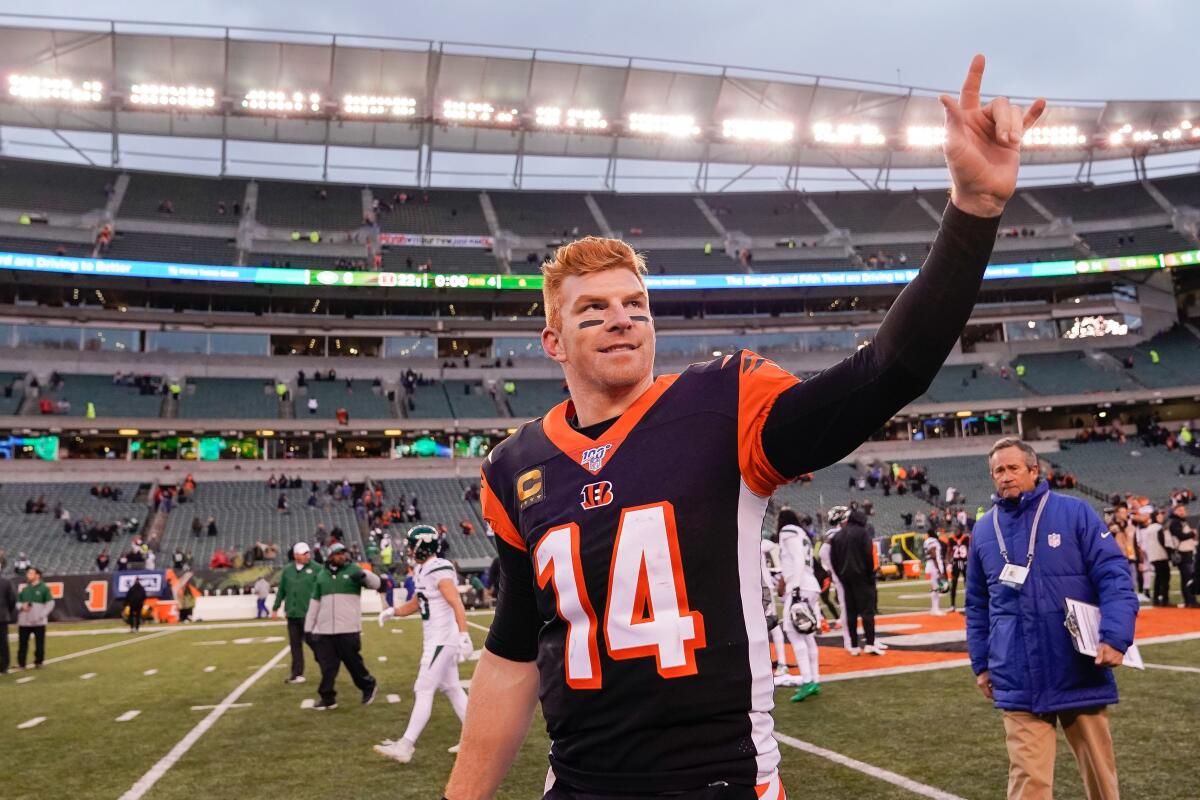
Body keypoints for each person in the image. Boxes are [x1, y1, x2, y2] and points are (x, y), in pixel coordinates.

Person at [454, 56, 1036, 799]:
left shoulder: (721, 404)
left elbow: (886, 374)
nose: (621, 317)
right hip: (577, 786)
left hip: (721, 784)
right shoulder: (515, 465)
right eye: (591, 309)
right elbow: (510, 651)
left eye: (635, 303)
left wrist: (973, 210)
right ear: (553, 341)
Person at [967, 437, 1137, 800]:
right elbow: (978, 605)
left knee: (1100, 777)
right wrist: (981, 664)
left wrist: (1115, 635)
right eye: (999, 470)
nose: (1006, 475)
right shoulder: (984, 530)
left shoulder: (1074, 512)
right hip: (1016, 671)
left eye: (1014, 468)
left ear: (1034, 470)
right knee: (1028, 779)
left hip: (1077, 665)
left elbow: (1113, 574)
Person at [375, 526, 474, 763]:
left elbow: (456, 603)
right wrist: (394, 611)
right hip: (437, 638)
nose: (408, 549)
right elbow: (419, 602)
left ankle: (406, 745)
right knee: (451, 688)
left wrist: (464, 634)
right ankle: (474, 740)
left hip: (442, 640)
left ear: (421, 546)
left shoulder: (438, 568)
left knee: (423, 689)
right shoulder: (424, 569)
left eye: (411, 545)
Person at [304, 542, 381, 710]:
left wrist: (364, 575)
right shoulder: (322, 575)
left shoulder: (353, 570)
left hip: (348, 628)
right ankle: (327, 697)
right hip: (325, 630)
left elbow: (376, 584)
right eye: (338, 554)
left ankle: (368, 685)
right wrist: (308, 627)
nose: (342, 556)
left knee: (353, 663)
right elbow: (314, 603)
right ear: (330, 556)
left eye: (343, 553)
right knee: (327, 666)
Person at [776, 509, 822, 702]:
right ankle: (814, 679)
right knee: (807, 634)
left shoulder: (787, 531)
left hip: (800, 585)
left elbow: (798, 558)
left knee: (793, 632)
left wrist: (794, 588)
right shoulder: (802, 532)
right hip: (810, 585)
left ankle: (807, 681)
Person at [830, 507, 884, 656]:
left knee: (851, 612)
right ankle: (870, 643)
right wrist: (870, 574)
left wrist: (840, 576)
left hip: (845, 578)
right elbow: (868, 555)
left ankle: (854, 645)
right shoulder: (862, 533)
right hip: (862, 577)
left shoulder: (838, 536)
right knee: (867, 611)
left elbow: (833, 559)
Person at [274, 542, 320, 683]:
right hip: (292, 614)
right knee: (295, 646)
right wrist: (275, 608)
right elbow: (282, 590)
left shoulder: (317, 569)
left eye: (308, 553)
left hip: (309, 614)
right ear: (296, 555)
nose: (308, 555)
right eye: (304, 553)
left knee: (315, 643)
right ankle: (297, 674)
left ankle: (328, 665)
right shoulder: (288, 570)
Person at [17, 567, 53, 669]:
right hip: (24, 621)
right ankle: (21, 663)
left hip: (38, 622)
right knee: (22, 643)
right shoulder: (24, 589)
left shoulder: (44, 588)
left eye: (31, 573)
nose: (28, 575)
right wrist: (21, 606)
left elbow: (50, 604)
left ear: (37, 575)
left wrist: (41, 615)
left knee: (39, 643)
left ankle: (39, 662)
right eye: (28, 573)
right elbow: (18, 602)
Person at [1166, 502, 1197, 608]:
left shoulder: (1180, 521)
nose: (1183, 512)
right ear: (1175, 512)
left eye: (1183, 510)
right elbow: (1180, 536)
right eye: (1180, 510)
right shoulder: (1175, 522)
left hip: (1185, 552)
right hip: (1183, 553)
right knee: (1188, 577)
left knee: (1186, 578)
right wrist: (1192, 533)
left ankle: (1189, 600)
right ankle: (1190, 601)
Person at [1139, 504, 1170, 606]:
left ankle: (1156, 598)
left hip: (1153, 556)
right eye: (1159, 515)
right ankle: (1164, 599)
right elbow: (1164, 542)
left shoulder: (1149, 528)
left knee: (1158, 578)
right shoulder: (1159, 527)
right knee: (1165, 578)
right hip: (1161, 555)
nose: (1161, 517)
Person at [947, 528, 971, 612]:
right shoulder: (951, 539)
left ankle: (968, 604)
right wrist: (949, 562)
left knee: (967, 585)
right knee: (953, 585)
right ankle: (952, 605)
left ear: (960, 530)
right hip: (955, 564)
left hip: (965, 563)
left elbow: (970, 549)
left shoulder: (966, 538)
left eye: (957, 530)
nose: (956, 531)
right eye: (955, 530)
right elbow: (949, 551)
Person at [924, 531, 947, 616]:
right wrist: (939, 569)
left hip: (931, 564)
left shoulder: (927, 541)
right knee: (936, 588)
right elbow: (933, 554)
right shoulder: (933, 541)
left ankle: (934, 608)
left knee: (935, 587)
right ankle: (936, 609)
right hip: (934, 565)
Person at [0, 572, 16, 674]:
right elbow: (12, 600)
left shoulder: (6, 582)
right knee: (3, 642)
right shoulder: (6, 582)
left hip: (2, 616)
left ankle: (4, 665)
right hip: (2, 616)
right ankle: (4, 666)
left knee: (3, 642)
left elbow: (12, 599)